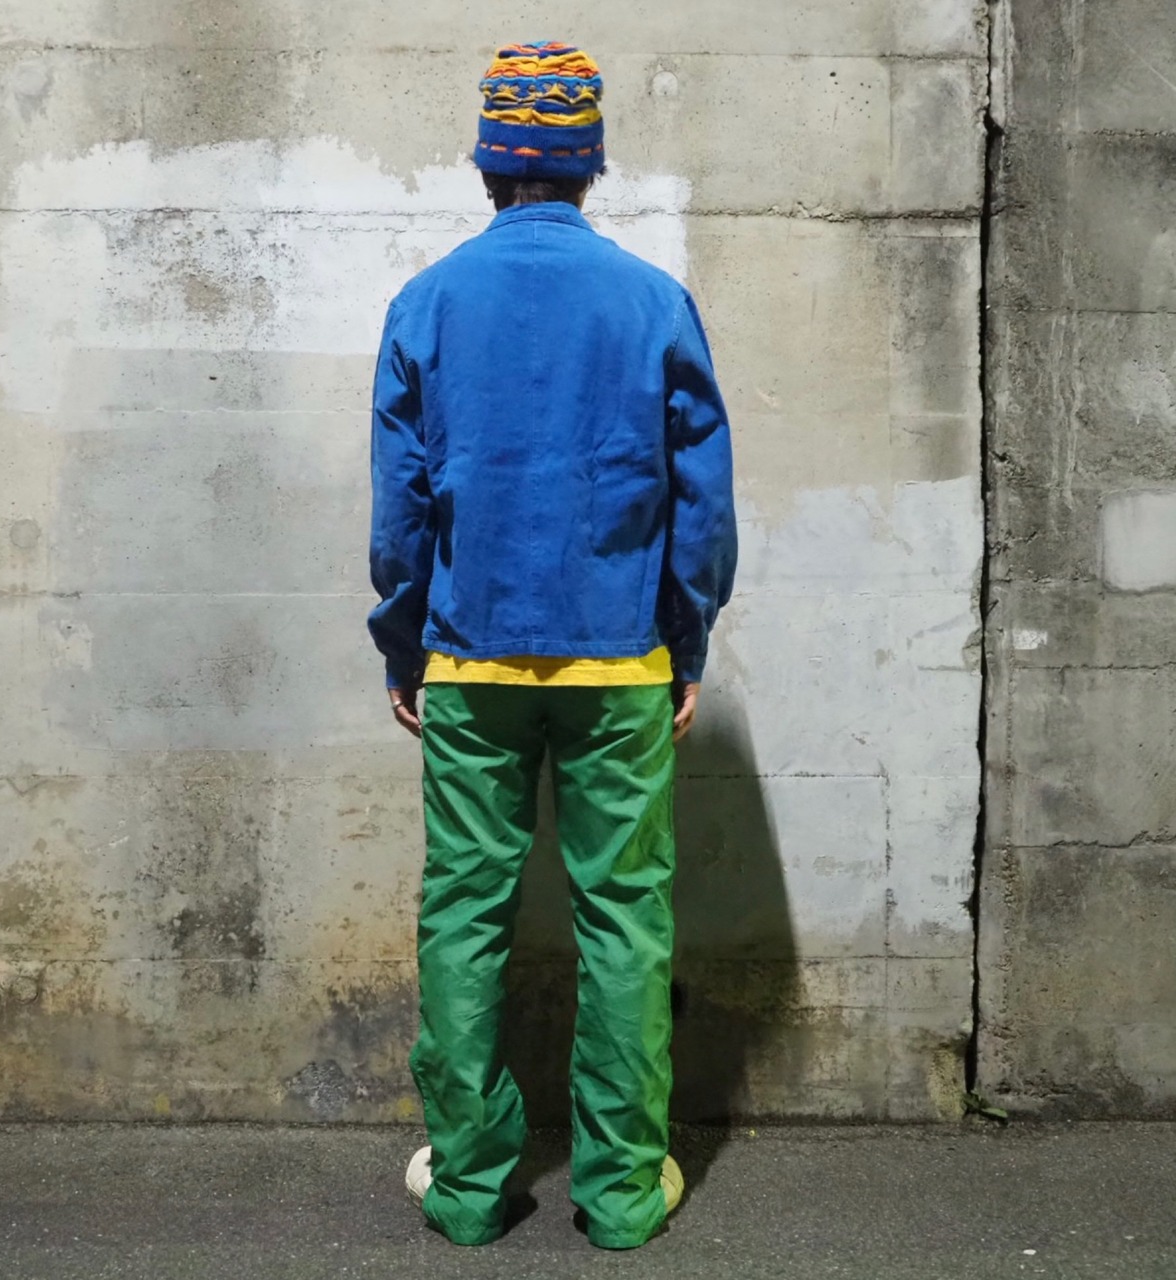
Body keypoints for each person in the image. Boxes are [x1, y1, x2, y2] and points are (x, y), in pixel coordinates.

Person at [367, 40, 737, 1250]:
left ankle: (471, 1185)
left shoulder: (427, 302)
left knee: (462, 910)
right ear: (587, 163)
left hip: (470, 656)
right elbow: (700, 503)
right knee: (622, 915)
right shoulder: (649, 301)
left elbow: (400, 511)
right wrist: (682, 640)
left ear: (488, 163)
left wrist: (404, 647)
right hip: (618, 658)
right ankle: (621, 1192)